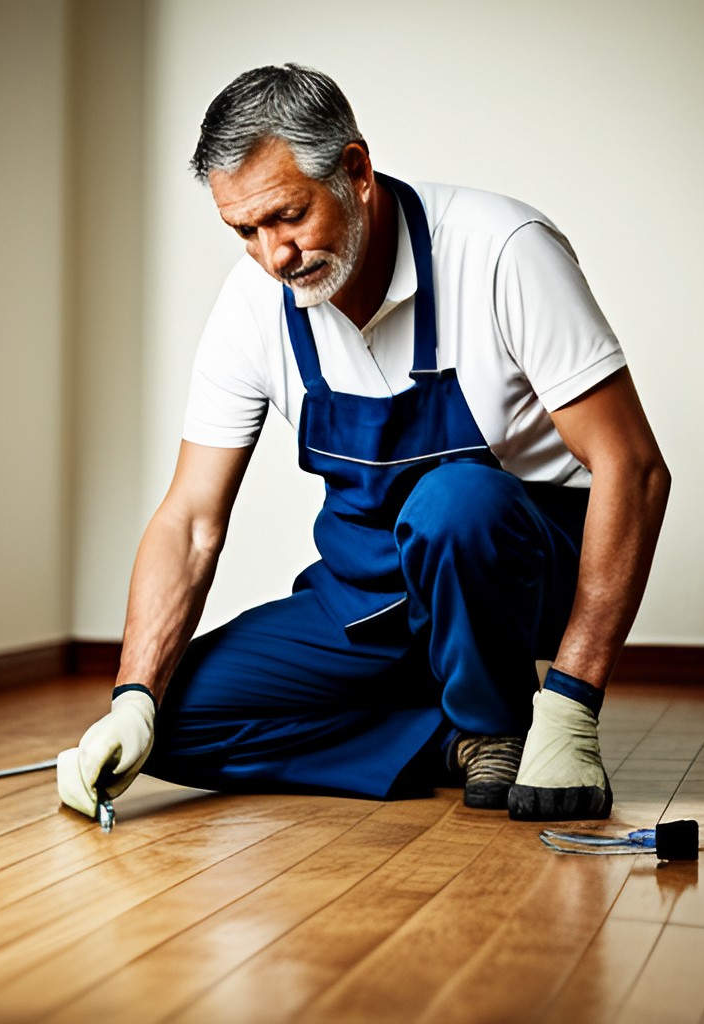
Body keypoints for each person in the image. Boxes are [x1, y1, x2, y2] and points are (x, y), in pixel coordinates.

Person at [56, 64, 670, 823]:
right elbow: (190, 519)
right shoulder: (254, 305)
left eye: (287, 216)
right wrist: (132, 697)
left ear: (356, 170)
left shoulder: (502, 250)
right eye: (244, 231)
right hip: (370, 599)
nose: (273, 256)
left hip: (512, 578)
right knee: (173, 727)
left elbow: (633, 469)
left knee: (452, 501)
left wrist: (574, 698)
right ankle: (448, 738)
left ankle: (502, 720)